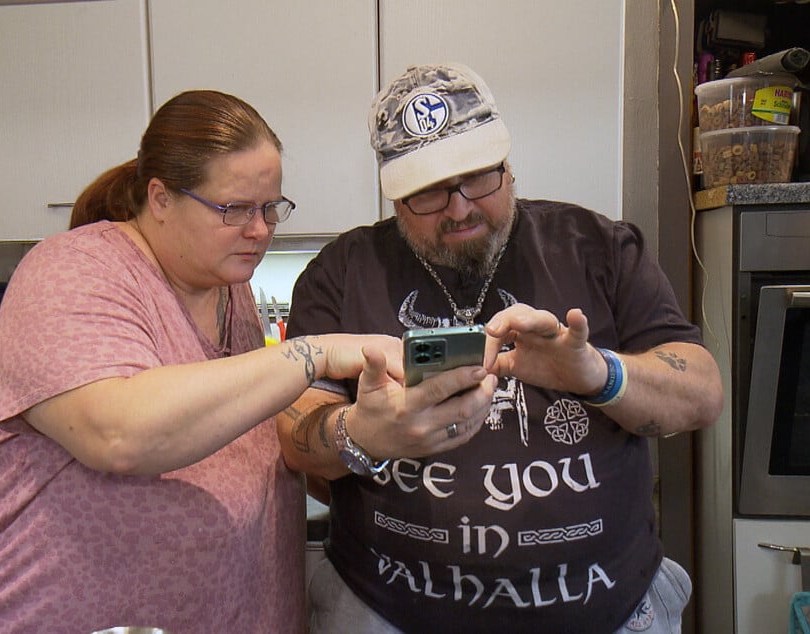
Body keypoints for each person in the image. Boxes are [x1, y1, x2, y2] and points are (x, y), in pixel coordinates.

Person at [0, 89, 403, 634]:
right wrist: (315, 352)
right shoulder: (73, 270)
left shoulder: (231, 294)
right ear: (161, 198)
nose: (260, 228)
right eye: (235, 208)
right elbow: (119, 434)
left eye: (270, 208)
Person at [277, 63, 724, 634]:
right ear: (393, 195)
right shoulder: (341, 273)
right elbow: (295, 440)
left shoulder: (600, 249)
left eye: (477, 177)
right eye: (428, 191)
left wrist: (598, 374)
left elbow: (702, 393)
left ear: (507, 165)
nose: (459, 207)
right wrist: (364, 433)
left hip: (606, 610)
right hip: (387, 612)